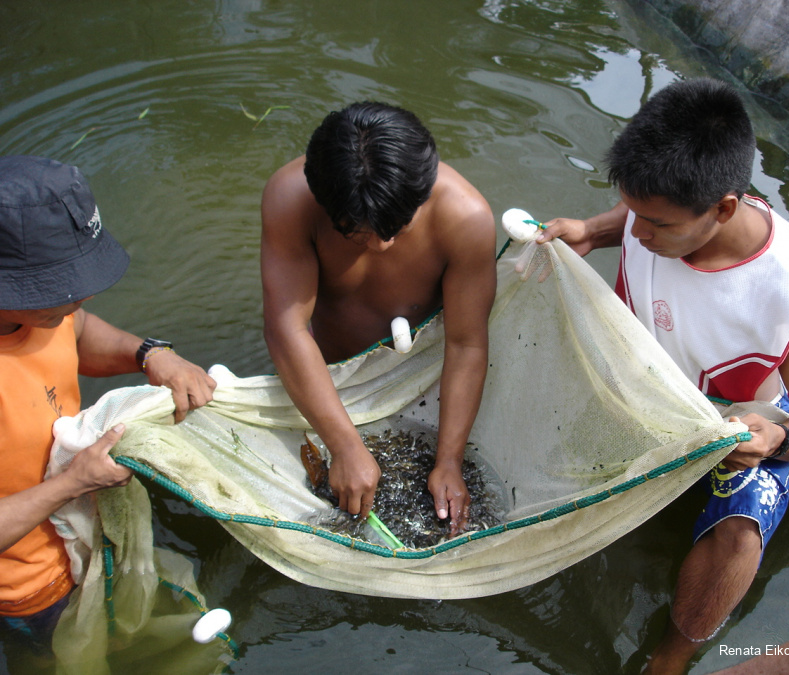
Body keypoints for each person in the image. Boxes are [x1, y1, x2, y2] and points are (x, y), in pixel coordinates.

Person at [537, 78, 789, 674]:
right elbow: (634, 213)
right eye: (633, 212)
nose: (640, 235)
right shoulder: (659, 208)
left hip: (726, 425)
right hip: (639, 389)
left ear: (723, 207)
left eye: (656, 225)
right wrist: (592, 231)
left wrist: (773, 438)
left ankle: (671, 656)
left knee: (740, 531)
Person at [0, 155, 217, 657]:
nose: (78, 300)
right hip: (29, 591)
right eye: (58, 290)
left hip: (90, 530)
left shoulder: (48, 316)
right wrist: (74, 482)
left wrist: (150, 354)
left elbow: (76, 331)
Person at [261, 102, 496, 534]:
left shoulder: (466, 219)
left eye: (397, 227)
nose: (382, 245)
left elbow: (466, 344)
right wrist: (343, 445)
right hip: (329, 377)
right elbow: (286, 328)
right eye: (356, 231)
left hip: (418, 381)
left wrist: (448, 460)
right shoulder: (291, 199)